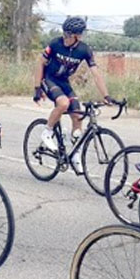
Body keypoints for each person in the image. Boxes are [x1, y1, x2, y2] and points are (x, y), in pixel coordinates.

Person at [33, 16, 112, 173]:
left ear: (78, 36)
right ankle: (47, 131)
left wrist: (106, 95)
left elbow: (96, 73)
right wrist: (37, 88)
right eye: (64, 34)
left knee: (78, 115)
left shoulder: (84, 50)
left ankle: (75, 154)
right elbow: (40, 62)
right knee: (63, 104)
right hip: (49, 79)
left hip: (64, 82)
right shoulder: (55, 43)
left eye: (69, 35)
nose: (65, 38)